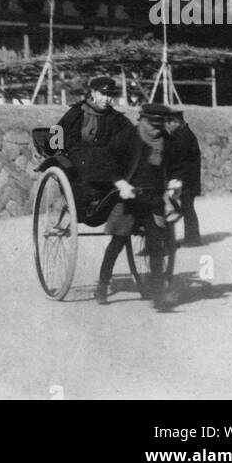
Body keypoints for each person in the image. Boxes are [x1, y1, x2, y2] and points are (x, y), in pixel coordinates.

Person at [95, 101, 176, 309]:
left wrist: (176, 181)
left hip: (154, 199)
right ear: (142, 120)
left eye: (161, 125)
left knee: (156, 247)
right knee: (117, 244)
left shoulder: (166, 139)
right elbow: (107, 163)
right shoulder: (127, 138)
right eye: (153, 125)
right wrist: (121, 183)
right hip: (129, 199)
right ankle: (102, 286)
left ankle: (158, 294)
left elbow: (176, 164)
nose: (157, 130)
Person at [50, 75, 135, 220]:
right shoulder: (76, 112)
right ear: (93, 92)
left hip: (107, 159)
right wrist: (57, 151)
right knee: (88, 157)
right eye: (103, 94)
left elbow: (131, 137)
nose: (107, 99)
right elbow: (57, 132)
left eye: (110, 95)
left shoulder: (116, 118)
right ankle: (91, 197)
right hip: (78, 155)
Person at [163, 107, 203, 246]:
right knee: (186, 208)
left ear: (177, 121)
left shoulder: (184, 137)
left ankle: (192, 239)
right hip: (185, 178)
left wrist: (174, 178)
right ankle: (192, 238)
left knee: (185, 207)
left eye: (169, 122)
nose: (167, 125)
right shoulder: (182, 134)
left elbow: (181, 161)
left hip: (185, 179)